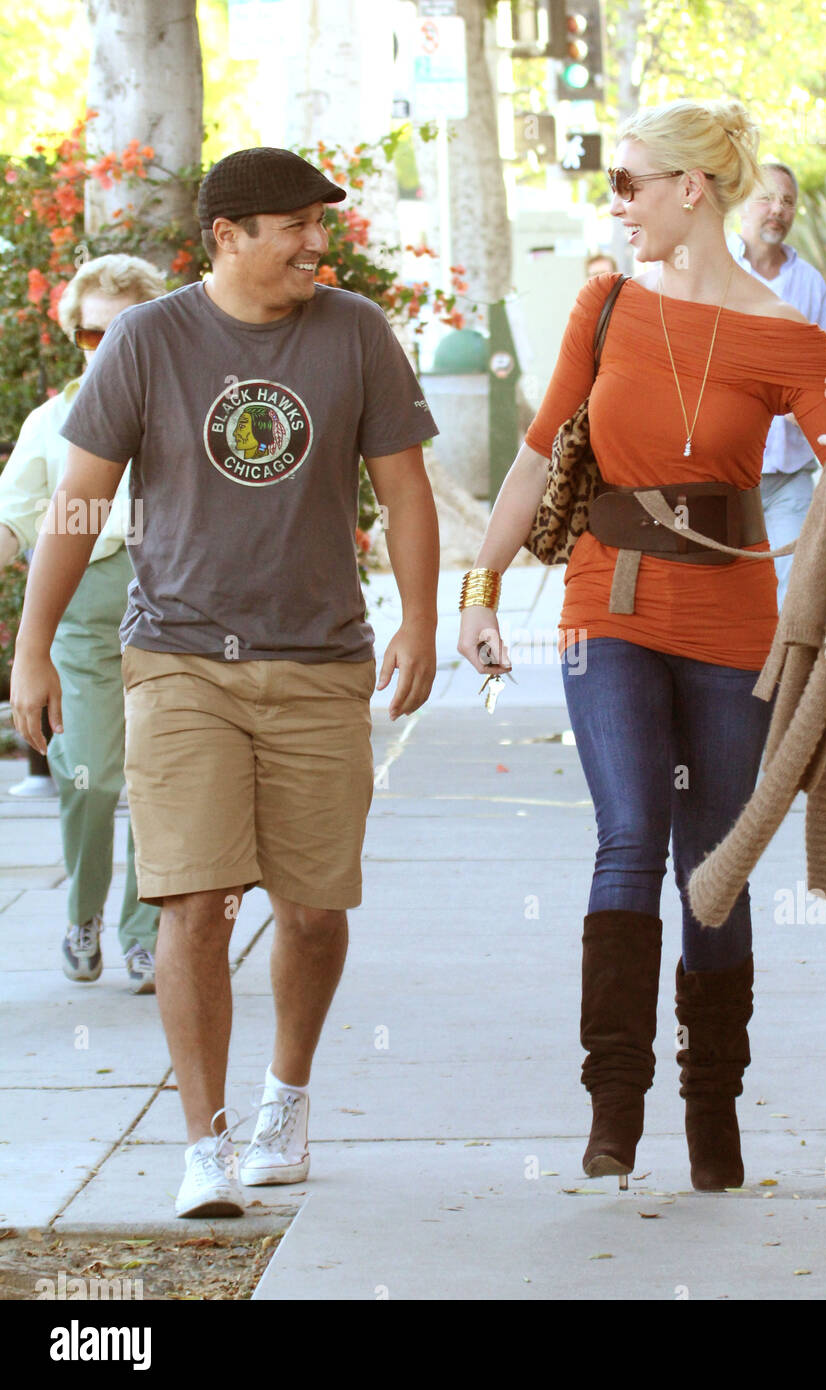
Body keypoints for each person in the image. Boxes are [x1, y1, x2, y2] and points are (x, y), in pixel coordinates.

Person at [457, 98, 826, 1193]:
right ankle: (613, 1109)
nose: (618, 204)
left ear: (690, 189)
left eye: (629, 183)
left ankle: (713, 1111)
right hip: (609, 602)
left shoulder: (786, 337)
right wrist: (482, 581)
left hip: (733, 617)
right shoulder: (602, 306)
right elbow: (534, 456)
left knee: (714, 867)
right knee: (629, 831)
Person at [10, 147, 441, 1219]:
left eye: (317, 224)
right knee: (192, 900)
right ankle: (203, 1142)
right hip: (179, 660)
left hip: (318, 660)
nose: (314, 242)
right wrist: (31, 649)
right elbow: (76, 502)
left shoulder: (353, 334)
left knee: (312, 908)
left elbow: (406, 488)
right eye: (291, 224)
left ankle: (283, 1098)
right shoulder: (149, 341)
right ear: (227, 236)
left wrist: (423, 619)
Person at [0, 254, 166, 991]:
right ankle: (83, 914)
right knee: (91, 776)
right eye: (91, 335)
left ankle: (146, 933)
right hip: (83, 621)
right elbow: (11, 522)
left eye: (122, 331)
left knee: (166, 783)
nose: (105, 348)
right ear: (75, 336)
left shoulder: (180, 410)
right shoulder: (49, 421)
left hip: (173, 612)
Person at [729, 162, 826, 604]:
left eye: (788, 201)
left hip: (791, 473)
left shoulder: (810, 283)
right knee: (731, 588)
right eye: (767, 197)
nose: (778, 209)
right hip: (726, 472)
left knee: (790, 589)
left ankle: (779, 675)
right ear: (740, 204)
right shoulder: (713, 270)